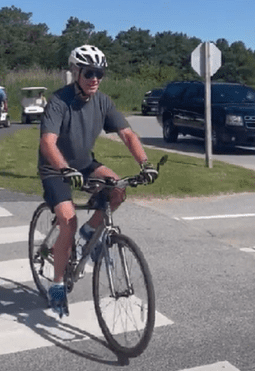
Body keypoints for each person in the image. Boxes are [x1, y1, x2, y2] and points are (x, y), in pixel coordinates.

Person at [38, 45, 158, 317]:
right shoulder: (59, 102)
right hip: (55, 168)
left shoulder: (103, 101)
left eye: (99, 73)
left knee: (118, 188)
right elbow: (48, 143)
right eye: (89, 73)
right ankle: (57, 285)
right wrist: (64, 168)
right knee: (68, 220)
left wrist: (145, 164)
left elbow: (127, 134)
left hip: (84, 164)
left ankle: (91, 232)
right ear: (75, 72)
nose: (95, 79)